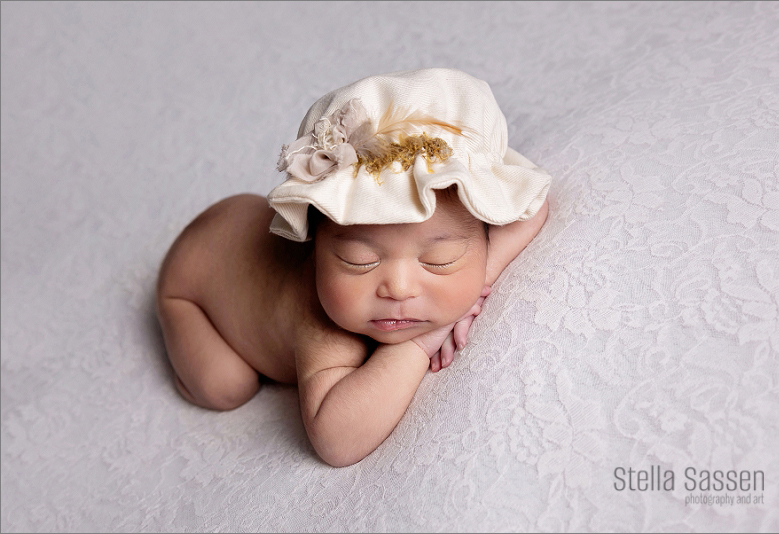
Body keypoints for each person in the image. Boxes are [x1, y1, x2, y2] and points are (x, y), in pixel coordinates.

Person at [156, 68, 551, 467]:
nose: (399, 289)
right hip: (195, 279)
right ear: (315, 245)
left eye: (440, 260)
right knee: (225, 385)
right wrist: (423, 341)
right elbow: (336, 441)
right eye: (359, 261)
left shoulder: (460, 236)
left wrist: (478, 279)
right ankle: (170, 314)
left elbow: (533, 206)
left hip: (239, 221)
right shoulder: (324, 325)